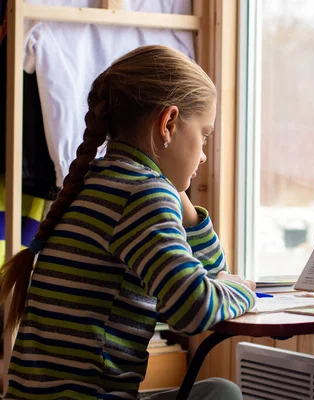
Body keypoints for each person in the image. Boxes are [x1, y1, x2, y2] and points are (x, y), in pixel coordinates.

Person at [0, 45, 256, 400]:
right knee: (222, 395)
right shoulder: (142, 194)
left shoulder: (96, 181)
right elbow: (195, 309)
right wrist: (245, 289)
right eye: (204, 134)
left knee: (217, 390)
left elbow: (211, 275)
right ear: (168, 123)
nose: (203, 154)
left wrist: (185, 206)